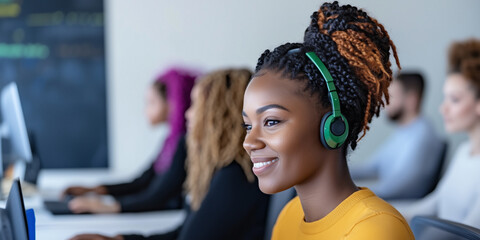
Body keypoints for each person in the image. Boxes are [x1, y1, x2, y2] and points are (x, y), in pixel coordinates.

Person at [242, 2, 414, 239]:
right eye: (248, 126)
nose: (248, 142)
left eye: (271, 121)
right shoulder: (290, 215)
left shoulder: (375, 231)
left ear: (333, 128)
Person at [70, 68, 269, 240]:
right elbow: (184, 233)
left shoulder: (235, 177)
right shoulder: (224, 171)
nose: (187, 114)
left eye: (195, 106)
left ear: (218, 115)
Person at [63, 68, 196, 213]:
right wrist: (94, 190)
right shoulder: (170, 143)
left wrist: (108, 207)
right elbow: (142, 182)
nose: (145, 110)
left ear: (174, 104)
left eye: (151, 102)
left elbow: (159, 196)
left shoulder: (185, 144)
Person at [394, 39, 480, 230]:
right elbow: (435, 202)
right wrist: (384, 212)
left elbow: (467, 232)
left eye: (455, 99)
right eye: (445, 98)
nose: (443, 108)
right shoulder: (464, 151)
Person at [350, 72, 444, 199]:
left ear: (411, 100)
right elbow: (373, 167)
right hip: (388, 202)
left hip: (401, 207)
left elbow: (397, 187)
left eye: (391, 97)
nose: (385, 103)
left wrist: (351, 193)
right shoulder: (403, 131)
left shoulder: (422, 135)